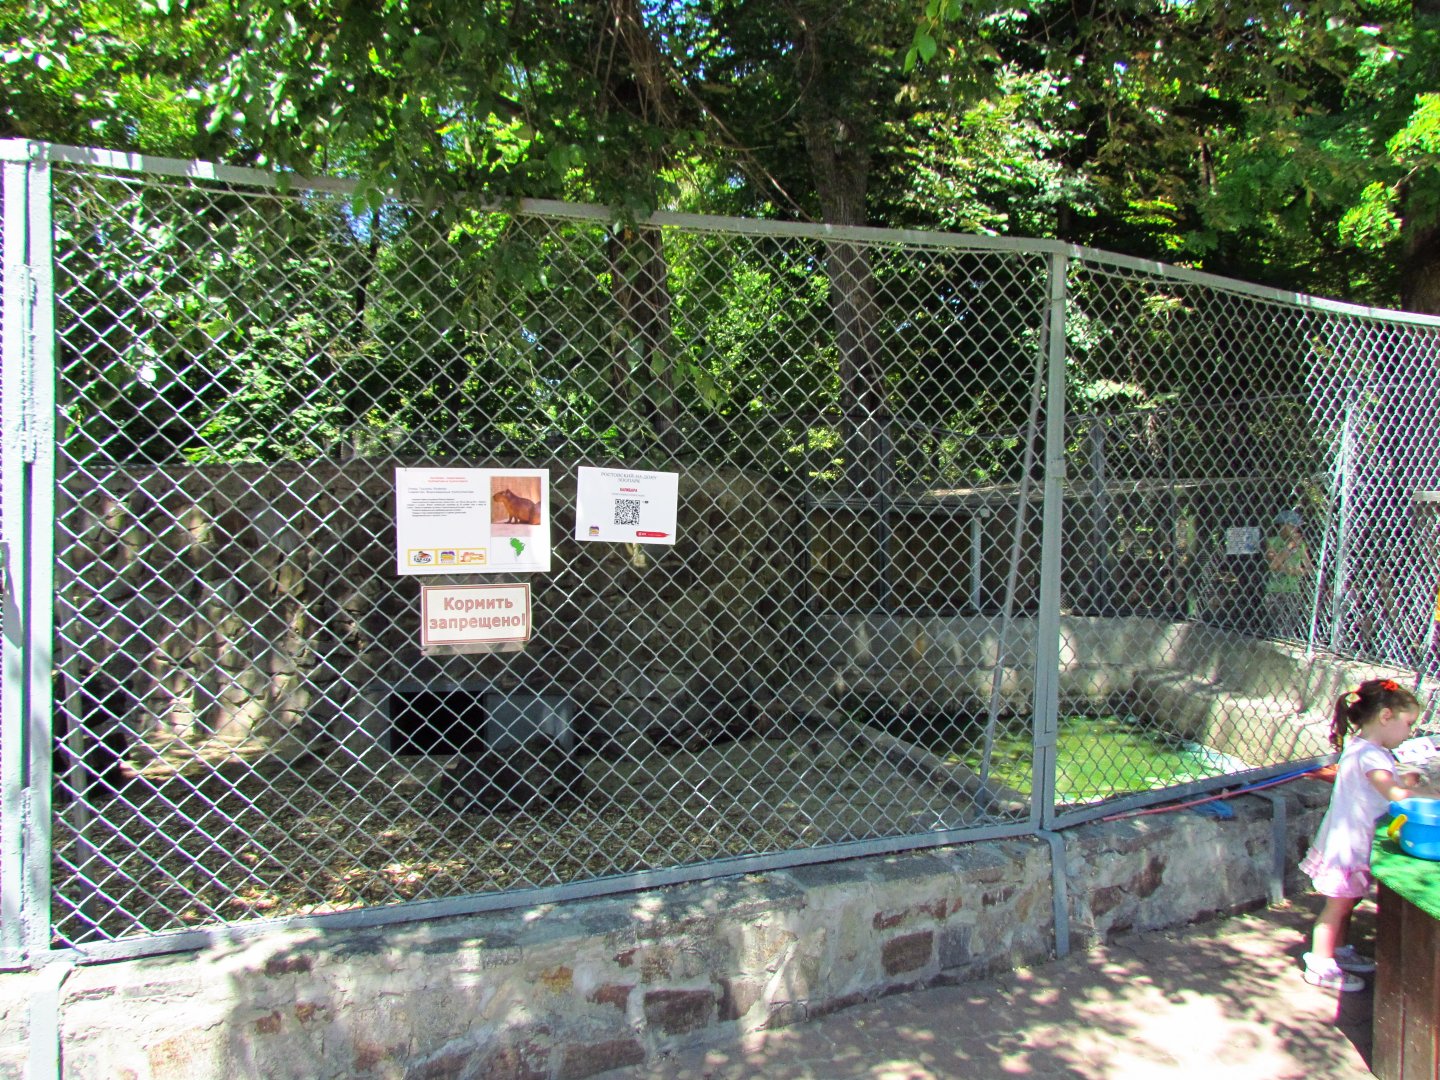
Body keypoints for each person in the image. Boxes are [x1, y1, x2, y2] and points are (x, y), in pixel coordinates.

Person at [1298, 678, 1440, 990]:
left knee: (1347, 901)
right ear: (1386, 716)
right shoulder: (1371, 755)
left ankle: (1337, 951)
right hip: (1347, 846)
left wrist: (1406, 782)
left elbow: (1383, 786)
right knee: (1337, 907)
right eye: (1408, 724)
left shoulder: (1364, 747)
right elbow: (1393, 794)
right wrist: (1430, 795)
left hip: (1349, 840)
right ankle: (1320, 965)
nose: (1410, 732)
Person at [1264, 509, 1314, 639]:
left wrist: (1296, 571)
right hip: (1275, 590)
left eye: (1297, 526)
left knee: (1290, 627)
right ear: (1282, 525)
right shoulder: (1272, 541)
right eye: (1292, 525)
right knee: (1277, 628)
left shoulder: (1301, 545)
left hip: (1293, 591)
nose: (1296, 529)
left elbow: (1309, 568)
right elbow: (1273, 565)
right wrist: (1289, 547)